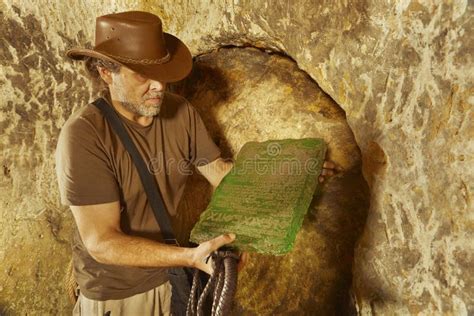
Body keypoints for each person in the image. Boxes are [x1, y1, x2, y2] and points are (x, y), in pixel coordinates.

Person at [55, 10, 337, 316]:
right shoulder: (84, 135)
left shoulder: (180, 112)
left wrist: (292, 176)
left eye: (161, 72)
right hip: (116, 294)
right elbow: (102, 243)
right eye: (142, 75)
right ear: (106, 73)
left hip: (172, 282)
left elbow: (222, 175)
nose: (159, 86)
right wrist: (189, 257)